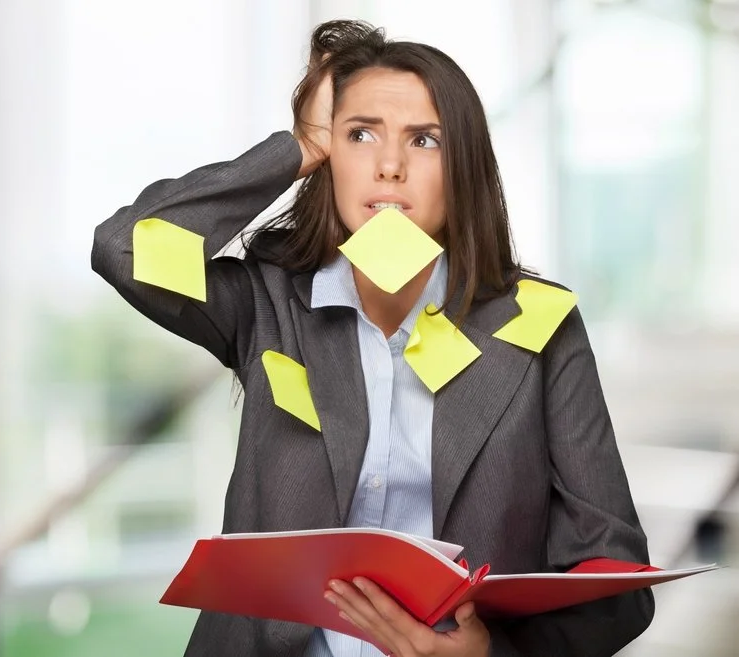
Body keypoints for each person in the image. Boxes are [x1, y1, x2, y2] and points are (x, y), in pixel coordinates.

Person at [92, 19, 654, 657]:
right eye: (360, 135)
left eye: (425, 140)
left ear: (462, 167)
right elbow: (124, 246)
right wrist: (296, 147)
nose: (389, 165)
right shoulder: (269, 300)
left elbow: (620, 587)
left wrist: (494, 655)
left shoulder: (541, 326)